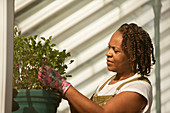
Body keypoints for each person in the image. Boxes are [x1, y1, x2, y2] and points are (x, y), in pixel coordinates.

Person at [38, 23, 156, 113]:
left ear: (132, 57)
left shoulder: (139, 87)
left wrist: (64, 87)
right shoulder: (105, 83)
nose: (108, 53)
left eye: (115, 50)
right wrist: (66, 95)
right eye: (109, 48)